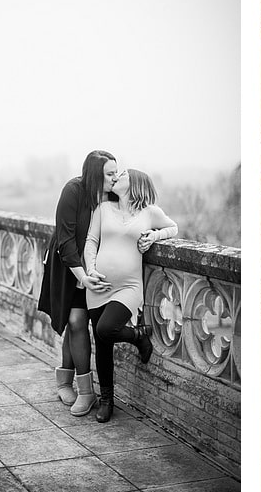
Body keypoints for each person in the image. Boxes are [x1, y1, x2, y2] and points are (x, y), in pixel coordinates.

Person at [83, 168, 178, 422]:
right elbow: (91, 241)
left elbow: (173, 227)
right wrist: (90, 270)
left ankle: (138, 336)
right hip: (99, 286)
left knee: (105, 329)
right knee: (101, 343)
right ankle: (107, 400)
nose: (115, 178)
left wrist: (154, 236)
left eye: (121, 175)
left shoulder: (150, 213)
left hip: (129, 287)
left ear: (134, 183)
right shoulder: (102, 209)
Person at [38, 150, 118, 417]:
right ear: (96, 175)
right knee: (74, 322)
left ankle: (64, 381)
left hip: (94, 269)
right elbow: (66, 239)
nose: (114, 178)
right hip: (67, 266)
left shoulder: (113, 196)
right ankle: (86, 391)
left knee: (76, 324)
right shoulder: (73, 191)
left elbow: (134, 218)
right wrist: (81, 276)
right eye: (109, 174)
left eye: (116, 173)